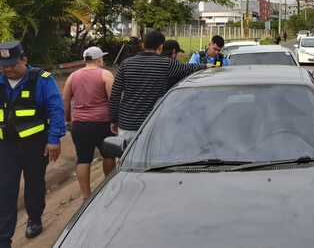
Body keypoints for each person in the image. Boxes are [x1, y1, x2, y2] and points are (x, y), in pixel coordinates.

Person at [0, 41, 66, 247]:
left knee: (34, 185)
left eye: (12, 64)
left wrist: (54, 140)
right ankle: (4, 238)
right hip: (6, 146)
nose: (8, 69)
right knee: (5, 189)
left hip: (35, 145)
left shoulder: (42, 80)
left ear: (24, 60)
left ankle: (34, 219)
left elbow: (56, 111)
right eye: (4, 66)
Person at [110, 30, 207, 143]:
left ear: (143, 45)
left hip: (126, 124)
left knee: (125, 158)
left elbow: (115, 95)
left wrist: (113, 119)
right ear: (160, 47)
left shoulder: (126, 64)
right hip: (152, 125)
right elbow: (189, 68)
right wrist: (207, 66)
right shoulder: (166, 64)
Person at [62, 47, 115, 200]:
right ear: (99, 60)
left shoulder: (73, 76)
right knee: (108, 155)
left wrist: (68, 120)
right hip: (102, 122)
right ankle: (108, 187)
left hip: (80, 124)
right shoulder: (105, 75)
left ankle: (86, 195)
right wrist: (115, 120)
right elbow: (113, 100)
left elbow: (65, 99)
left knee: (83, 158)